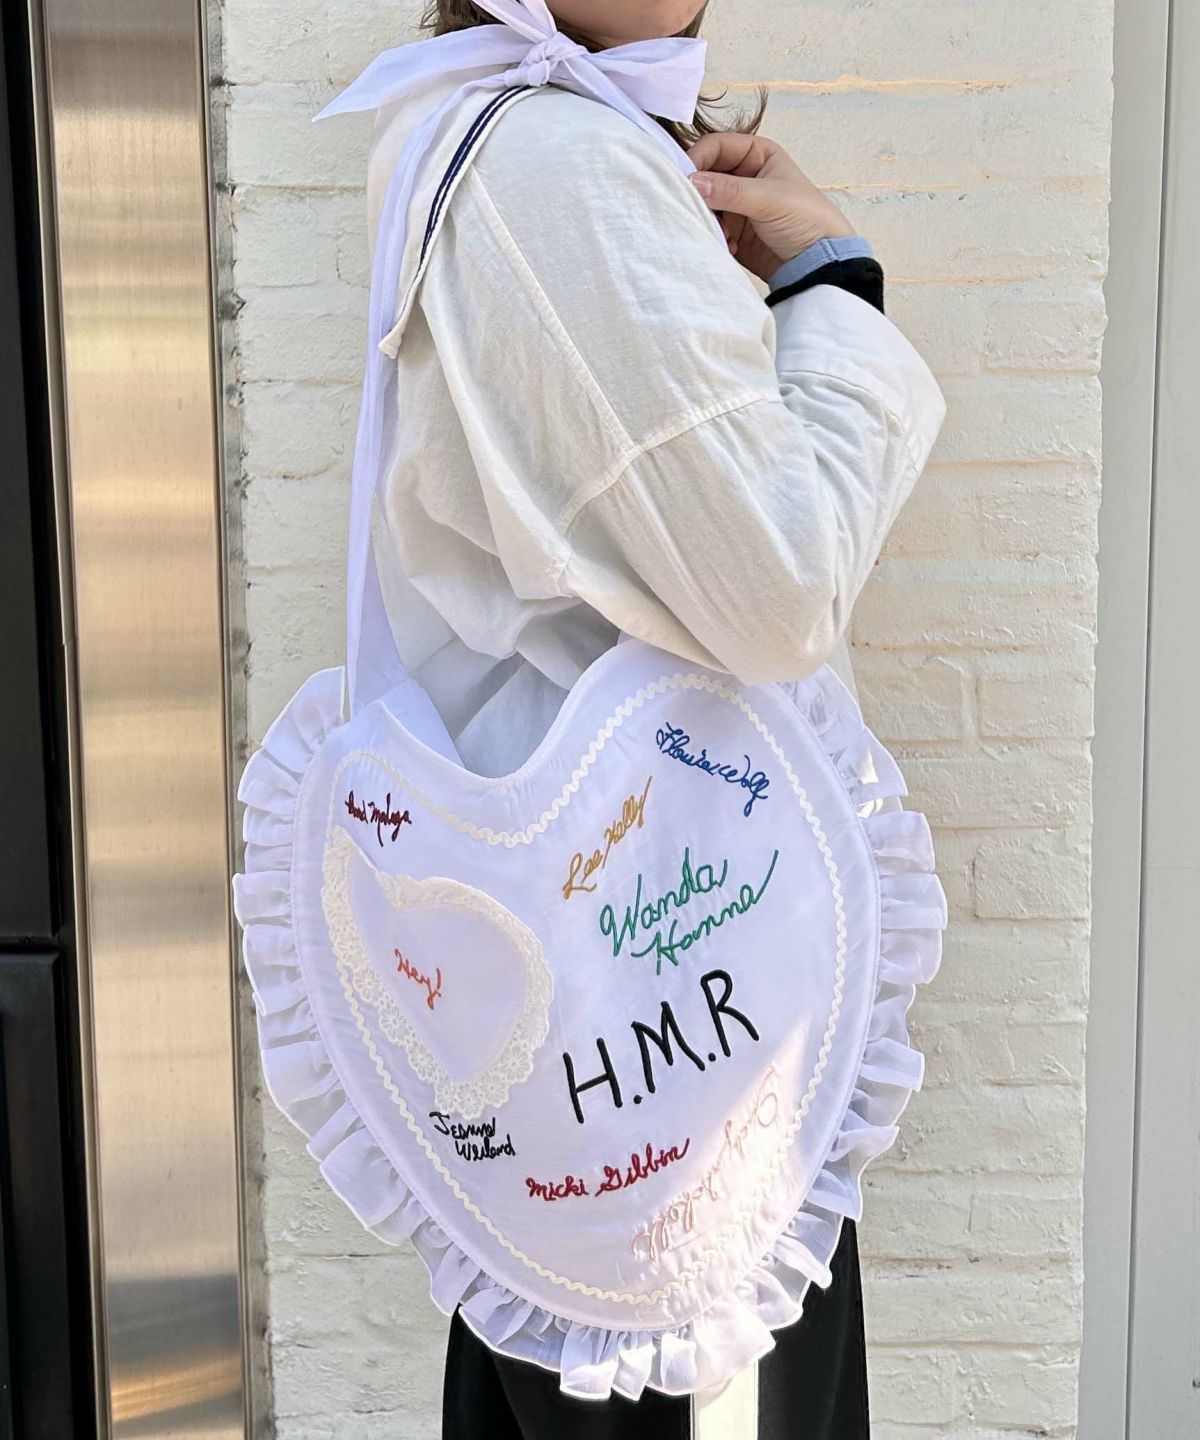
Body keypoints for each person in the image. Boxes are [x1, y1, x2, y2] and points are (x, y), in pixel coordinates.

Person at [354, 2, 945, 1434]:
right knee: (689, 1376)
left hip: (601, 993)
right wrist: (834, 282)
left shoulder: (475, 128)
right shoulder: (555, 161)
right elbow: (781, 588)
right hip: (671, 1010)